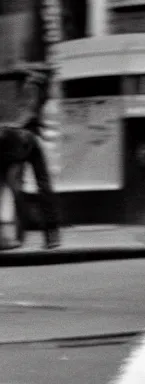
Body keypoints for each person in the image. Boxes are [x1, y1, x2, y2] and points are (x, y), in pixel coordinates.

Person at [0, 70, 60, 250]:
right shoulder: (36, 86)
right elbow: (31, 112)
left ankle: (21, 237)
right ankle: (48, 235)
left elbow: (30, 112)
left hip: (18, 140)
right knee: (30, 185)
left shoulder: (31, 87)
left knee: (16, 187)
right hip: (22, 140)